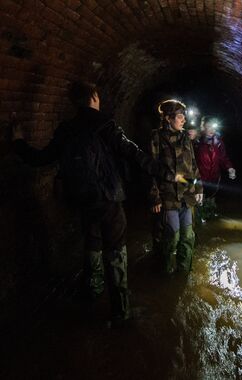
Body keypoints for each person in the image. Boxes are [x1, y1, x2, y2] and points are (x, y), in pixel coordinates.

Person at [11, 81, 177, 326]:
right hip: (108, 198)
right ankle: (120, 311)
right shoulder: (105, 124)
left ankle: (92, 291)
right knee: (116, 248)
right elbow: (133, 153)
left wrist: (18, 142)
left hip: (82, 199)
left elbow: (41, 158)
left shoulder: (65, 129)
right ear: (94, 97)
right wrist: (164, 172)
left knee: (92, 242)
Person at [149, 100, 203, 275]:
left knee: (188, 237)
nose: (183, 120)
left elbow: (193, 165)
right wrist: (155, 196)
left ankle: (183, 271)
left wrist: (199, 188)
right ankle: (165, 270)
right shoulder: (156, 137)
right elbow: (151, 168)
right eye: (180, 116)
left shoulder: (185, 137)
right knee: (172, 236)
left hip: (187, 194)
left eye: (184, 117)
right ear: (167, 118)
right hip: (168, 195)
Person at [195, 116, 236, 222]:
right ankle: (199, 220)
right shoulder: (197, 142)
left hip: (214, 176)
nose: (211, 130)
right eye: (208, 127)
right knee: (199, 202)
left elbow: (223, 157)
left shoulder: (218, 142)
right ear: (203, 127)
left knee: (211, 199)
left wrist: (230, 168)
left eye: (213, 127)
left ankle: (210, 217)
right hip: (200, 178)